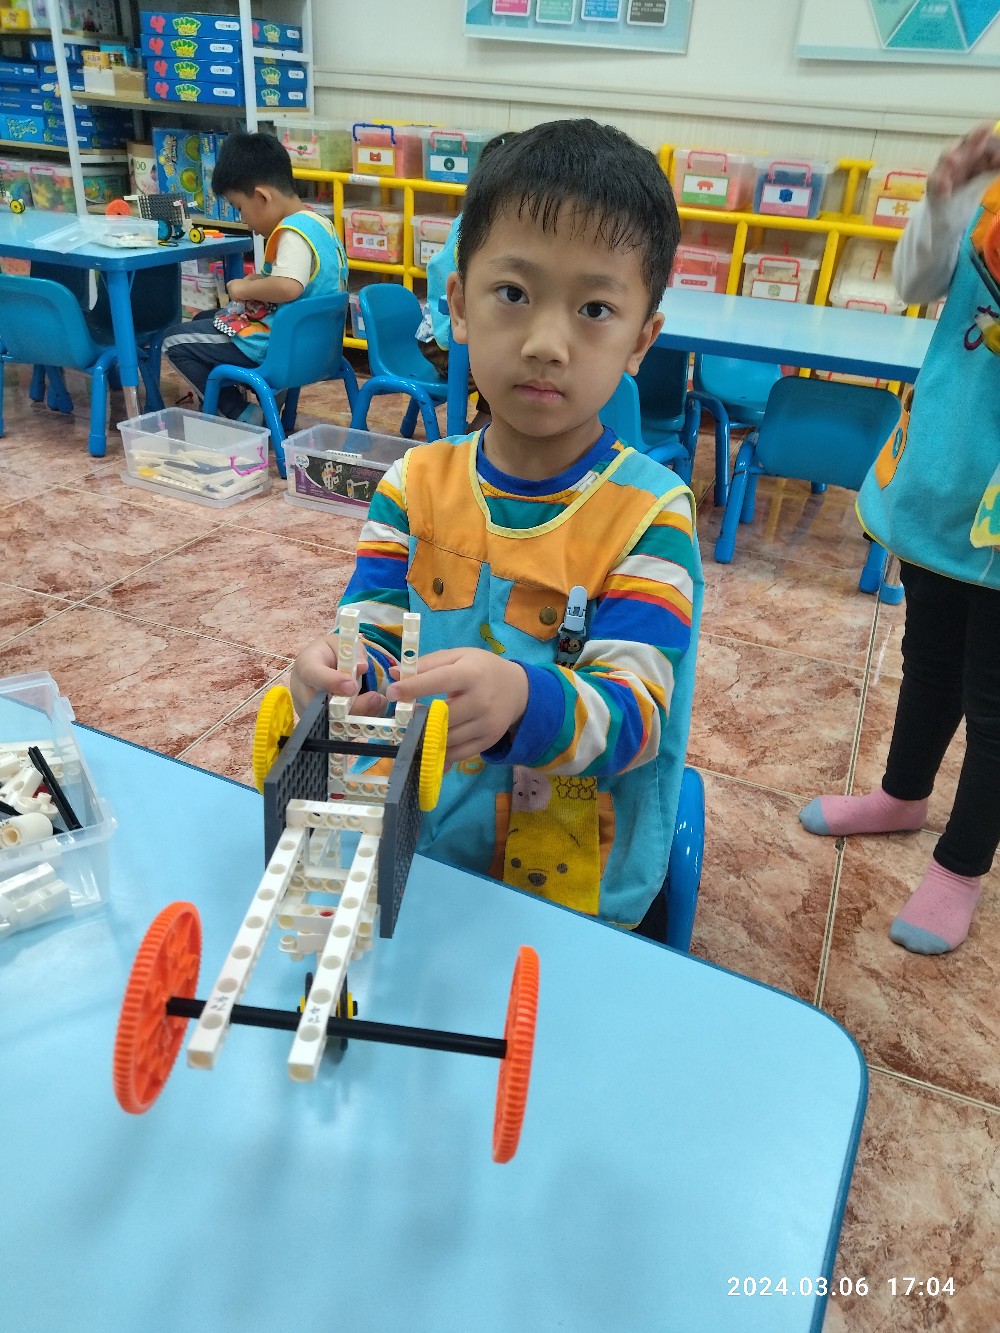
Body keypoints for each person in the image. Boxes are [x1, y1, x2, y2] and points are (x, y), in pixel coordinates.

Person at [290, 117, 702, 934]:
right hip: (421, 850)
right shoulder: (412, 485)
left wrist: (522, 698)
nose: (547, 344)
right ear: (458, 304)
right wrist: (342, 676)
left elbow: (637, 714)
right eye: (514, 294)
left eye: (594, 308)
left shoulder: (652, 513)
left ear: (641, 340)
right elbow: (375, 639)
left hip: (563, 884)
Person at [800, 122, 1000, 955]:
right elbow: (917, 280)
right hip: (944, 477)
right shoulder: (991, 203)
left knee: (994, 704)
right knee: (930, 662)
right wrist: (948, 194)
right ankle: (903, 793)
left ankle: (961, 865)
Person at [162, 131, 348, 422]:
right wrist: (260, 280)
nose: (243, 220)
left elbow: (288, 287)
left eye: (240, 208)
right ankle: (258, 402)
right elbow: (304, 282)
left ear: (262, 197)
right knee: (206, 319)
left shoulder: (292, 233)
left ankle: (241, 412)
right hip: (316, 349)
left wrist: (243, 289)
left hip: (274, 348)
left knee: (173, 342)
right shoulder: (320, 225)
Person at [414, 133, 518, 429]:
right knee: (507, 368)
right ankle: (484, 425)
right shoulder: (474, 225)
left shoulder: (512, 227)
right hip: (441, 344)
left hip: (474, 336)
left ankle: (490, 417)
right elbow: (443, 278)